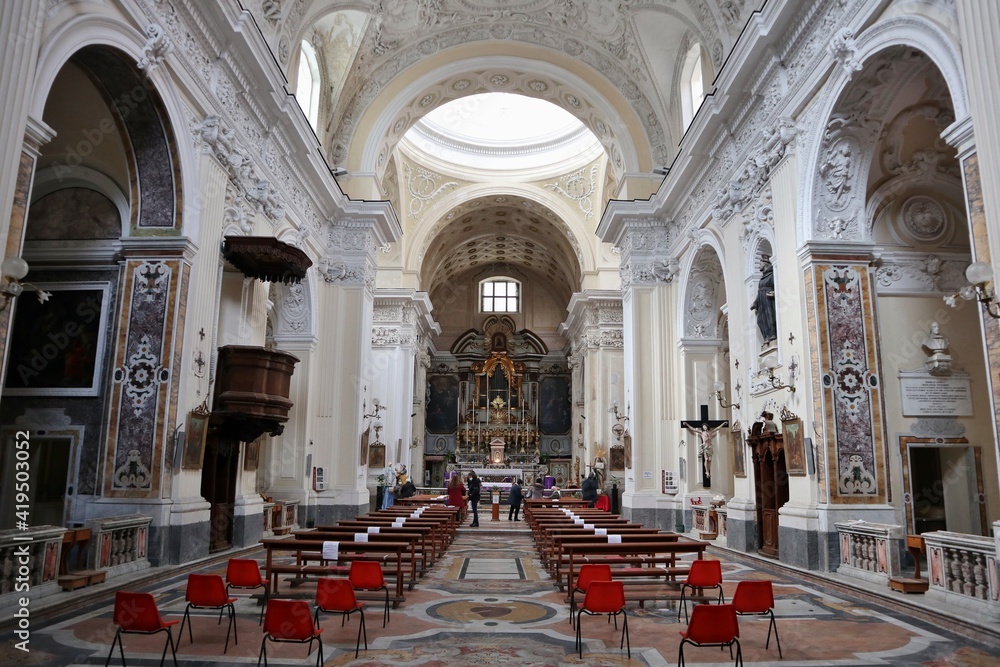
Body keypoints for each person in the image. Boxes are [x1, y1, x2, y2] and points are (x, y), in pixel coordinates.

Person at [750, 255, 777, 346]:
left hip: (768, 300)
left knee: (770, 317)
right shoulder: (762, 278)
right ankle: (766, 336)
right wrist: (755, 303)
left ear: (765, 264)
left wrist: (775, 293)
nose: (759, 266)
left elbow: (777, 285)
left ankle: (772, 334)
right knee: (760, 320)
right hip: (761, 301)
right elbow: (759, 292)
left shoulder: (772, 274)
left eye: (760, 263)